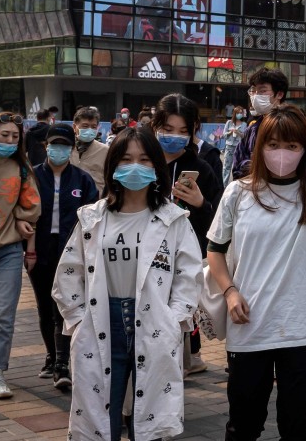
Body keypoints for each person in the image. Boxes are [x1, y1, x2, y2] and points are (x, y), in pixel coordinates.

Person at [206, 106, 306, 441]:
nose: (282, 154)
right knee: (243, 424)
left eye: (292, 146)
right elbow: (215, 250)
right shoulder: (239, 192)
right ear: (260, 148)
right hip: (249, 325)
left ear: (305, 150)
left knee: (296, 426)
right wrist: (230, 291)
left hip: (300, 328)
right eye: (273, 145)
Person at [52, 127, 204, 441]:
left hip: (154, 323)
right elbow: (69, 273)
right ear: (112, 168)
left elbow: (189, 276)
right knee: (99, 416)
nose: (135, 166)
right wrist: (79, 320)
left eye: (145, 159)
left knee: (148, 418)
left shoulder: (173, 220)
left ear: (157, 167)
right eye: (126, 159)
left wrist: (174, 320)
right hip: (101, 321)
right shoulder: (92, 219)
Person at [150, 94, 222, 375]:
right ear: (156, 126)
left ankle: (174, 379)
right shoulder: (142, 164)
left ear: (193, 132)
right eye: (168, 130)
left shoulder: (202, 168)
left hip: (183, 261)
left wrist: (200, 204)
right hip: (144, 257)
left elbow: (219, 219)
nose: (175, 137)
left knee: (175, 324)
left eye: (183, 131)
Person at [29, 125, 98, 390]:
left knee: (65, 306)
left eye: (64, 146)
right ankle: (51, 356)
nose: (58, 150)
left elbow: (92, 217)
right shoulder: (33, 176)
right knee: (45, 306)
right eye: (54, 145)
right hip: (41, 250)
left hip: (71, 253)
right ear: (46, 146)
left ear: (71, 149)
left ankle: (62, 363)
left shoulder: (82, 179)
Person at [0, 112, 41, 398]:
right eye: (5, 135)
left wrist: (18, 218)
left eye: (15, 136)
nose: (10, 141)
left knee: (2, 314)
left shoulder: (22, 169)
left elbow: (31, 207)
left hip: (9, 250)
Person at [230, 68, 289, 179]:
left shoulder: (293, 127)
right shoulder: (252, 130)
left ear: (279, 94)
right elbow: (237, 166)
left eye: (262, 91)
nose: (255, 96)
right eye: (253, 91)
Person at [71, 106, 108, 192]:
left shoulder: (105, 151)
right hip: (70, 201)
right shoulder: (67, 148)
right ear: (74, 127)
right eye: (85, 126)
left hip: (95, 202)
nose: (89, 130)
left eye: (93, 127)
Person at [222, 106, 247, 186]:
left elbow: (244, 136)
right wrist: (230, 132)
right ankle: (224, 186)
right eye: (238, 112)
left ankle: (236, 186)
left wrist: (238, 132)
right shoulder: (229, 122)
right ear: (234, 113)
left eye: (241, 113)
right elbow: (224, 135)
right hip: (229, 147)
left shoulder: (244, 124)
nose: (240, 114)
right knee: (226, 167)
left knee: (237, 167)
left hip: (238, 147)